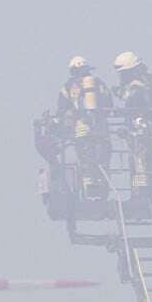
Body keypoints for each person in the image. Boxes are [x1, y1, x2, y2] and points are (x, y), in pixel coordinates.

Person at [56, 55, 112, 200]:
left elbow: (61, 108)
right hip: (101, 129)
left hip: (81, 130)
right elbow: (109, 104)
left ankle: (89, 191)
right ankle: (103, 190)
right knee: (102, 159)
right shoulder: (98, 83)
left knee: (86, 160)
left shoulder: (68, 86)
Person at [113, 51, 152, 197]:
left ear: (130, 71)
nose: (122, 76)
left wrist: (120, 111)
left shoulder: (136, 85)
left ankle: (140, 192)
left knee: (139, 160)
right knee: (148, 160)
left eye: (123, 73)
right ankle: (145, 190)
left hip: (139, 128)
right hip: (150, 127)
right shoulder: (148, 81)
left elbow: (132, 101)